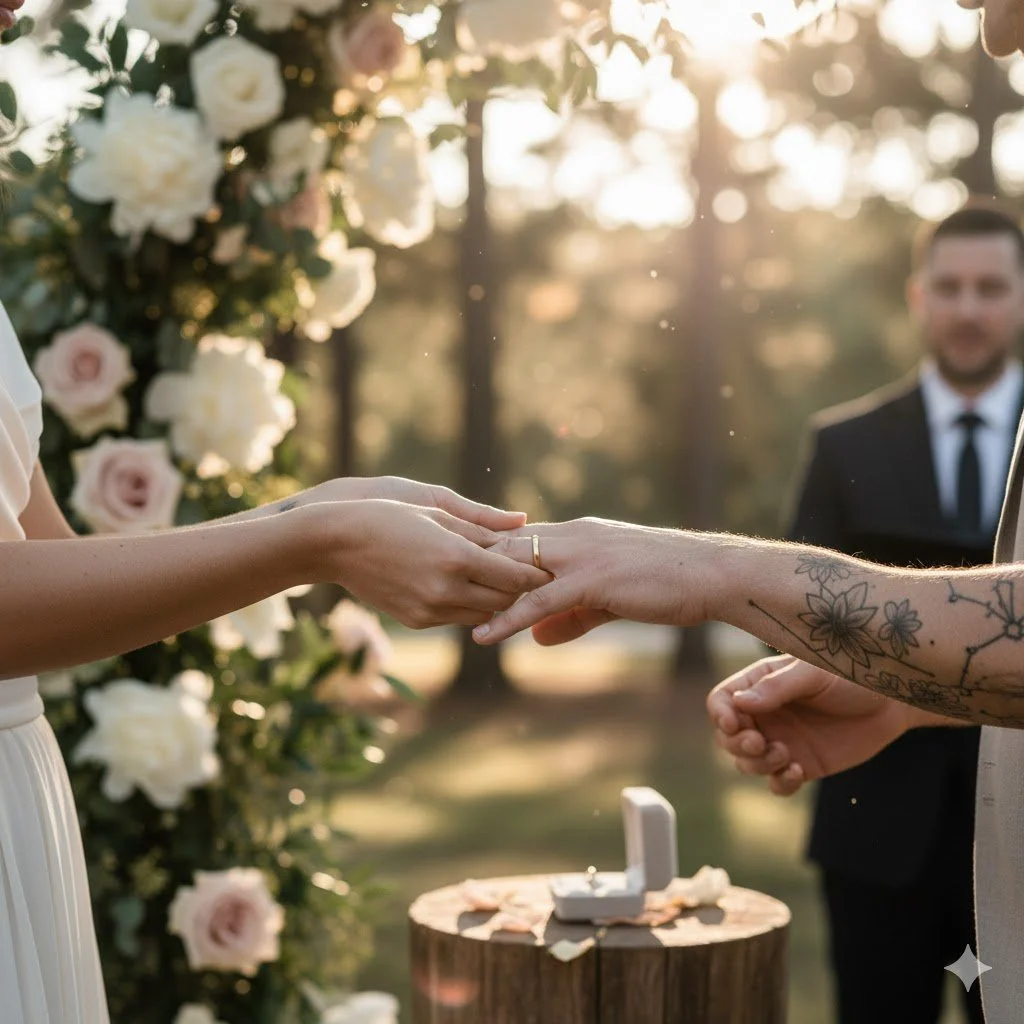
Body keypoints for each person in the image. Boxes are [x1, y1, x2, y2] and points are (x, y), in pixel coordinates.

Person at [783, 204, 1024, 1024]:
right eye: (949, 287)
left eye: (990, 287)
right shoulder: (842, 446)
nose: (968, 308)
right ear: (919, 298)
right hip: (875, 835)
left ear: (1021, 298)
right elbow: (794, 619)